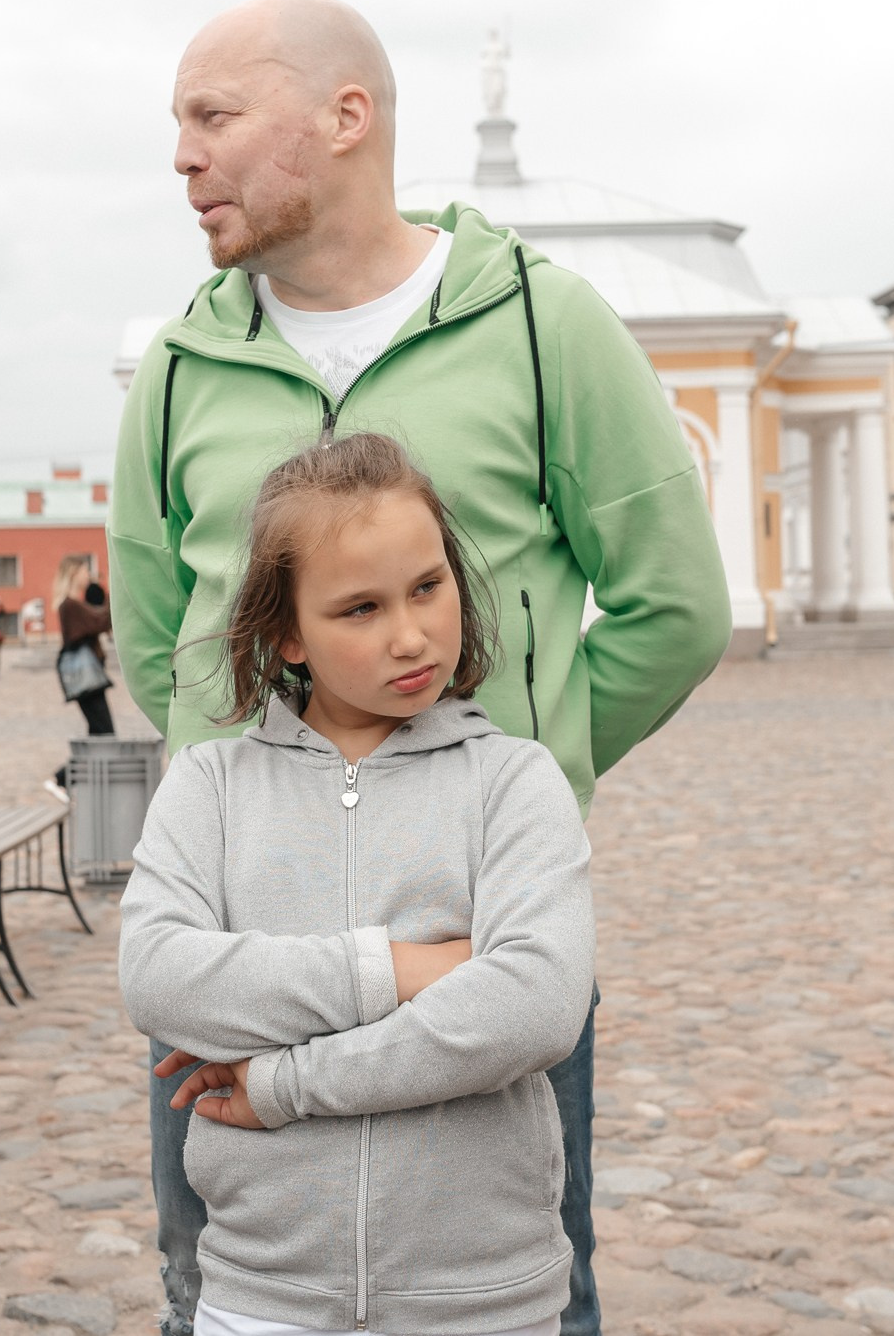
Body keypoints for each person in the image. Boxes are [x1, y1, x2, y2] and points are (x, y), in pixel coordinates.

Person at [108, 0, 731, 1334]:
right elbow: (163, 639)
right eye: (178, 124)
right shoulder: (178, 364)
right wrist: (246, 800)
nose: (183, 154)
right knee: (208, 1285)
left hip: (475, 944)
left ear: (346, 117)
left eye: (214, 116)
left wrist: (526, 765)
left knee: (528, 1283)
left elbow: (674, 606)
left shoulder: (543, 324)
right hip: (240, 959)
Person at [119, 433, 594, 1336]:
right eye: (360, 608)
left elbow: (534, 1005)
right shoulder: (208, 786)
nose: (410, 634)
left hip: (485, 1302)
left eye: (427, 586)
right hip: (261, 1300)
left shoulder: (516, 781)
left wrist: (287, 1082)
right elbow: (158, 978)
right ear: (288, 632)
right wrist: (405, 969)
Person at [57, 555, 116, 737]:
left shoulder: (75, 604)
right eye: (85, 571)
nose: (88, 575)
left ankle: (89, 757)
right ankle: (84, 758)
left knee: (98, 731)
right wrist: (113, 591)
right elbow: (101, 621)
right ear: (74, 573)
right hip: (86, 676)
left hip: (88, 675)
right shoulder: (70, 605)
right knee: (104, 732)